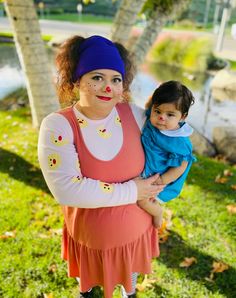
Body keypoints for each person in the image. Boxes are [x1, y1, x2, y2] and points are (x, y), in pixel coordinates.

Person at [38, 35, 165, 298]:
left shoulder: (137, 116)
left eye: (115, 80)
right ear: (76, 82)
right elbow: (67, 190)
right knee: (88, 286)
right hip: (89, 239)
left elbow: (171, 149)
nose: (108, 87)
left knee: (129, 286)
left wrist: (161, 191)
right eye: (97, 77)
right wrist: (133, 191)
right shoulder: (58, 125)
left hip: (134, 234)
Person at [138, 81, 196, 227]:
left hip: (159, 177)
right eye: (157, 111)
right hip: (148, 167)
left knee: (142, 199)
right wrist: (157, 91)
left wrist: (162, 180)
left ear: (182, 117)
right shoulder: (154, 119)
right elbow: (148, 106)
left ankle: (157, 212)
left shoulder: (180, 141)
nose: (162, 117)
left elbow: (181, 167)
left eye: (170, 114)